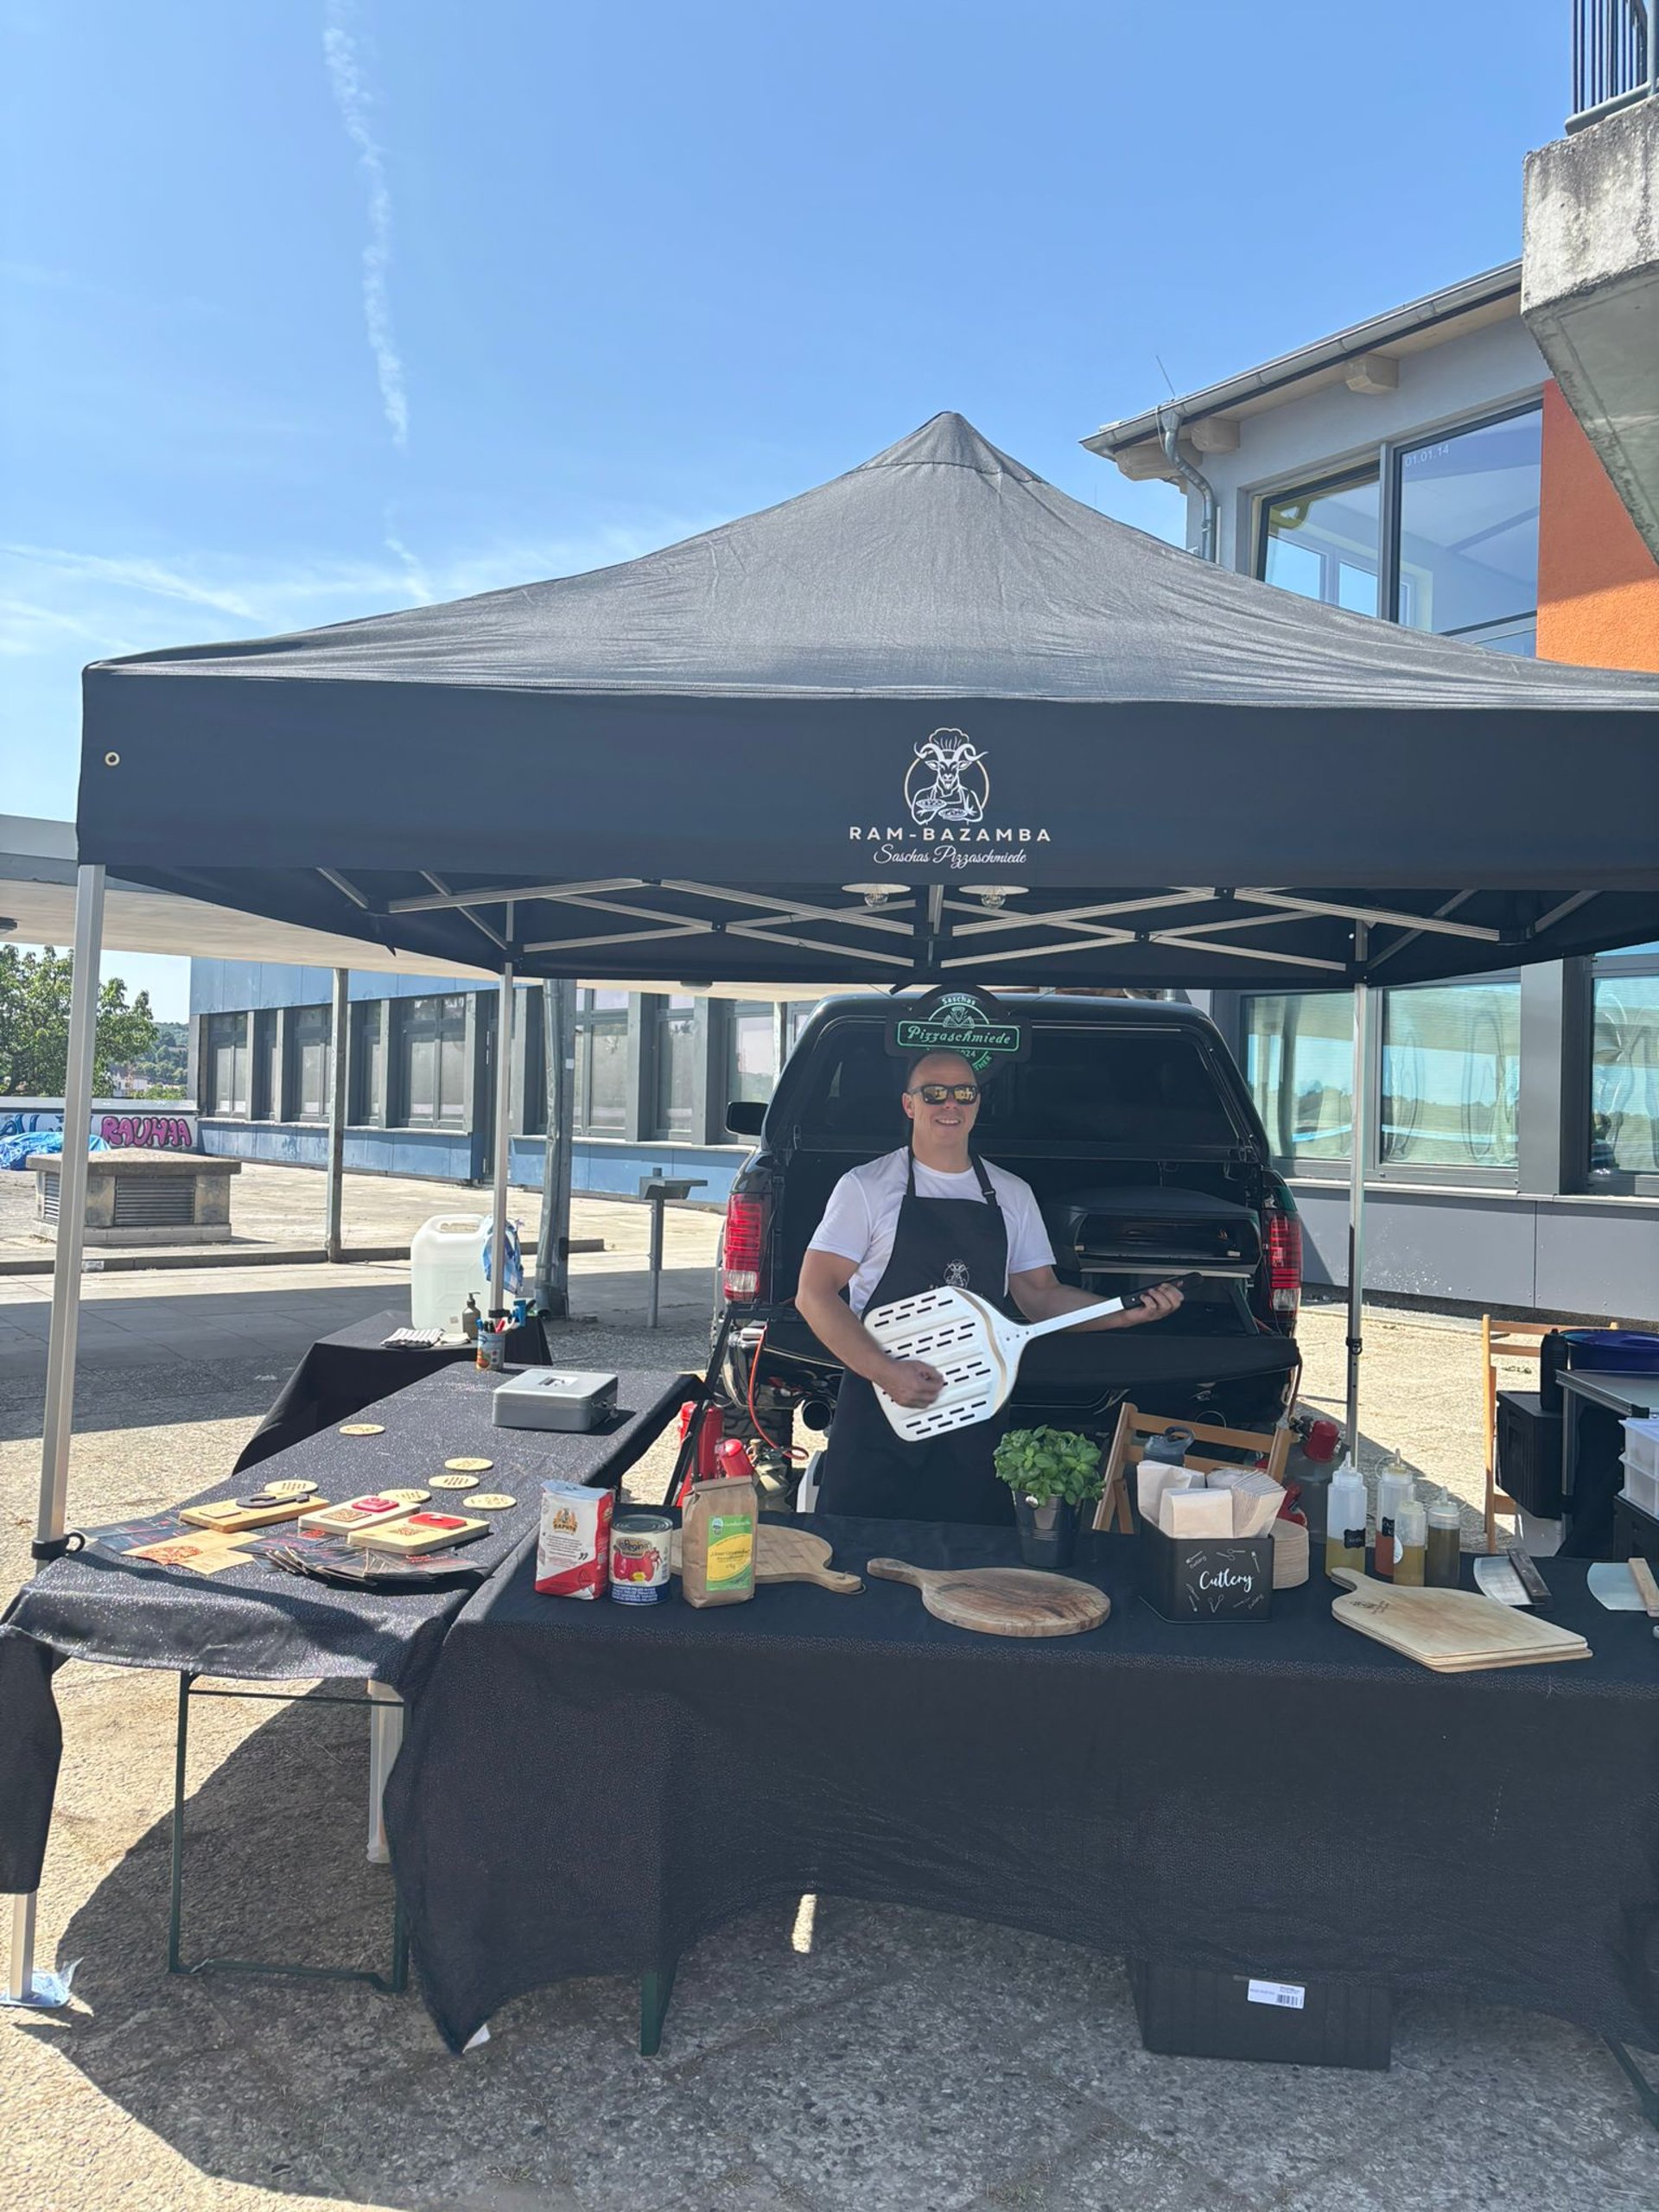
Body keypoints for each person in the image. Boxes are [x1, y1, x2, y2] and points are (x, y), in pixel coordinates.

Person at [795, 1048, 1183, 1522]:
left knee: (972, 1561)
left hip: (975, 1409)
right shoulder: (867, 1188)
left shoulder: (1011, 1194)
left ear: (978, 1103)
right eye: (934, 1093)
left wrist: (1121, 1312)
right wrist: (885, 1372)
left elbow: (1039, 1295)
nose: (950, 1104)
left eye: (964, 1092)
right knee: (860, 1555)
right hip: (880, 1408)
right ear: (909, 1105)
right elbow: (814, 1293)